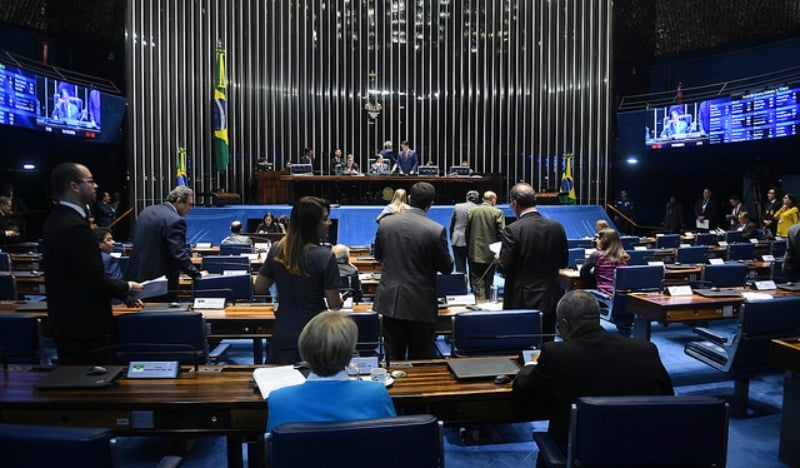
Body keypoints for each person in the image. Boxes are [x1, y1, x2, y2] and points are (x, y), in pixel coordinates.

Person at [512, 290, 674, 463]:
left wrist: (531, 364)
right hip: (639, 454)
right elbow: (667, 400)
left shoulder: (556, 354)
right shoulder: (646, 350)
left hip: (579, 457)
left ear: (565, 325)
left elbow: (523, 391)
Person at [42, 163, 143, 364]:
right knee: (90, 385)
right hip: (83, 326)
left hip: (68, 321)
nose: (95, 186)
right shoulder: (74, 227)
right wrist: (127, 287)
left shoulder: (57, 220)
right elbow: (92, 279)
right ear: (74, 186)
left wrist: (124, 295)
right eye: (90, 181)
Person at [266, 311, 396, 432]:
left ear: (304, 353)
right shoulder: (376, 394)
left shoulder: (278, 400)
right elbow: (390, 442)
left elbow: (274, 449)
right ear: (350, 355)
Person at [254, 196, 343, 364]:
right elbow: (334, 305)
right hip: (315, 333)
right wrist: (341, 299)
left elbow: (259, 287)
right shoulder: (325, 256)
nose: (330, 223)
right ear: (312, 224)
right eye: (325, 219)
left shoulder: (277, 250)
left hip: (283, 330)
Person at [374, 182, 453, 360]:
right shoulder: (436, 230)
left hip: (391, 302)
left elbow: (378, 257)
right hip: (421, 303)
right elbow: (447, 268)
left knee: (393, 359)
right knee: (421, 359)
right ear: (431, 203)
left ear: (410, 198)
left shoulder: (386, 224)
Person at [498, 183, 567, 339]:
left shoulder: (513, 229)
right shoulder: (557, 227)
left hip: (521, 300)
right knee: (547, 343)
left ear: (514, 204)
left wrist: (498, 259)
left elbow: (504, 267)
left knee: (520, 346)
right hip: (551, 297)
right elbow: (563, 263)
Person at [126, 186, 207, 299]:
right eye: (190, 204)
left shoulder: (146, 211)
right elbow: (179, 254)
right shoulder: (175, 220)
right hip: (160, 284)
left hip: (137, 277)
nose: (191, 208)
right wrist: (197, 275)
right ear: (179, 202)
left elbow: (134, 238)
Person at [465, 191, 505, 301]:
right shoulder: (497, 212)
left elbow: (467, 232)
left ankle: (479, 302)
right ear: (492, 200)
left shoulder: (471, 211)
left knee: (477, 280)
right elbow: (502, 233)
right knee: (489, 280)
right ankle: (487, 302)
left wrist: (469, 248)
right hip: (490, 253)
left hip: (474, 251)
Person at [580, 228, 629, 294]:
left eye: (598, 238)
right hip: (623, 295)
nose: (596, 240)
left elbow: (583, 272)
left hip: (605, 294)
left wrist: (594, 274)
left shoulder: (597, 255)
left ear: (603, 240)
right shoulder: (623, 256)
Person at [449, 190, 480, 274]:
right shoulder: (479, 209)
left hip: (457, 239)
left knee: (460, 270)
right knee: (474, 269)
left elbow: (452, 224)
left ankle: (461, 286)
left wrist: (452, 237)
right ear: (477, 199)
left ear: (467, 198)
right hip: (473, 241)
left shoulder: (457, 207)